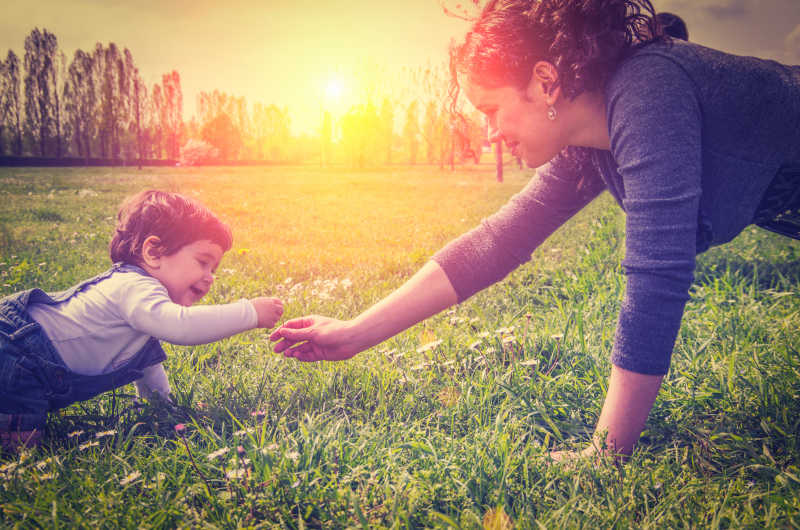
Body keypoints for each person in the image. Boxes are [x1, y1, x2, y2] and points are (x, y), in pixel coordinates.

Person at [271, 0, 800, 461]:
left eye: (491, 110)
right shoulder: (587, 139)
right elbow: (496, 242)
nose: (490, 133)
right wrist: (355, 333)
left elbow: (658, 274)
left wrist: (606, 452)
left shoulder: (648, 91)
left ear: (545, 81)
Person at [0, 190, 284, 450]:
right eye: (202, 262)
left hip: (31, 366)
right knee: (20, 455)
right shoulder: (132, 286)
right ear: (154, 252)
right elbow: (181, 326)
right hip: (16, 353)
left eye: (215, 268)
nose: (210, 276)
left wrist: (161, 410)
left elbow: (149, 368)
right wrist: (250, 312)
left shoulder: (144, 312)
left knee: (24, 448)